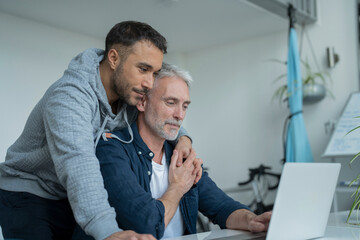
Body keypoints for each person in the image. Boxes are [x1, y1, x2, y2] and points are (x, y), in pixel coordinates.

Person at [0, 21, 202, 240]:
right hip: (28, 193)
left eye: (154, 73)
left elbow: (159, 117)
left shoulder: (128, 96)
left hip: (69, 195)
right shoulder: (69, 97)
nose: (148, 83)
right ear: (114, 59)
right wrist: (109, 233)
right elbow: (78, 164)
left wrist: (183, 139)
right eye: (143, 69)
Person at [73, 62, 271, 240]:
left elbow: (221, 206)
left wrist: (252, 220)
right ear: (142, 102)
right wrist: (177, 188)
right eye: (171, 103)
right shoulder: (111, 151)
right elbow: (146, 225)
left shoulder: (180, 155)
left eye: (185, 106)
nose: (180, 115)